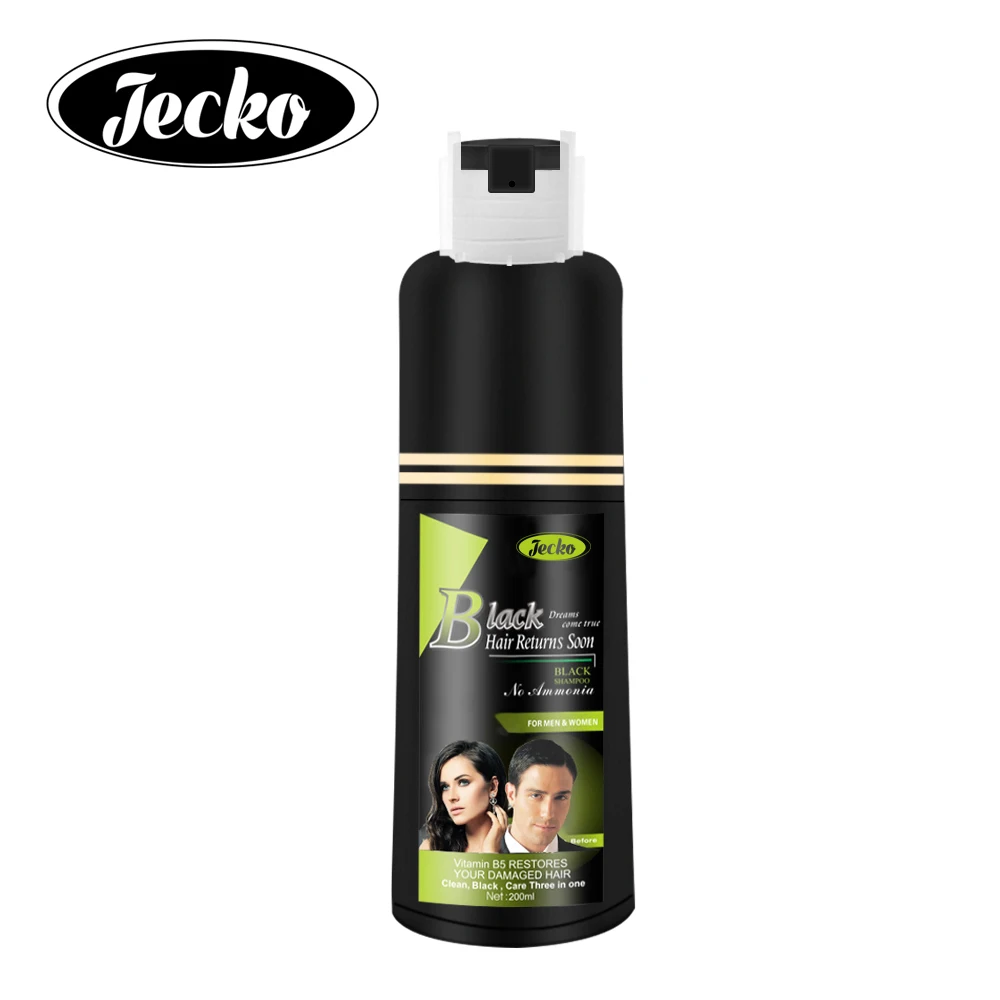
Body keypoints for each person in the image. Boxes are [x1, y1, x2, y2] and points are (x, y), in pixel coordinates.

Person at [419, 740, 509, 852]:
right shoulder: (433, 848)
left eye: (463, 782)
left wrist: (491, 852)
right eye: (445, 787)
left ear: (492, 787)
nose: (451, 797)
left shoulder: (520, 844)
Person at [502, 739, 583, 853]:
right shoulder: (479, 857)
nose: (548, 814)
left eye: (560, 797)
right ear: (511, 795)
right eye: (536, 795)